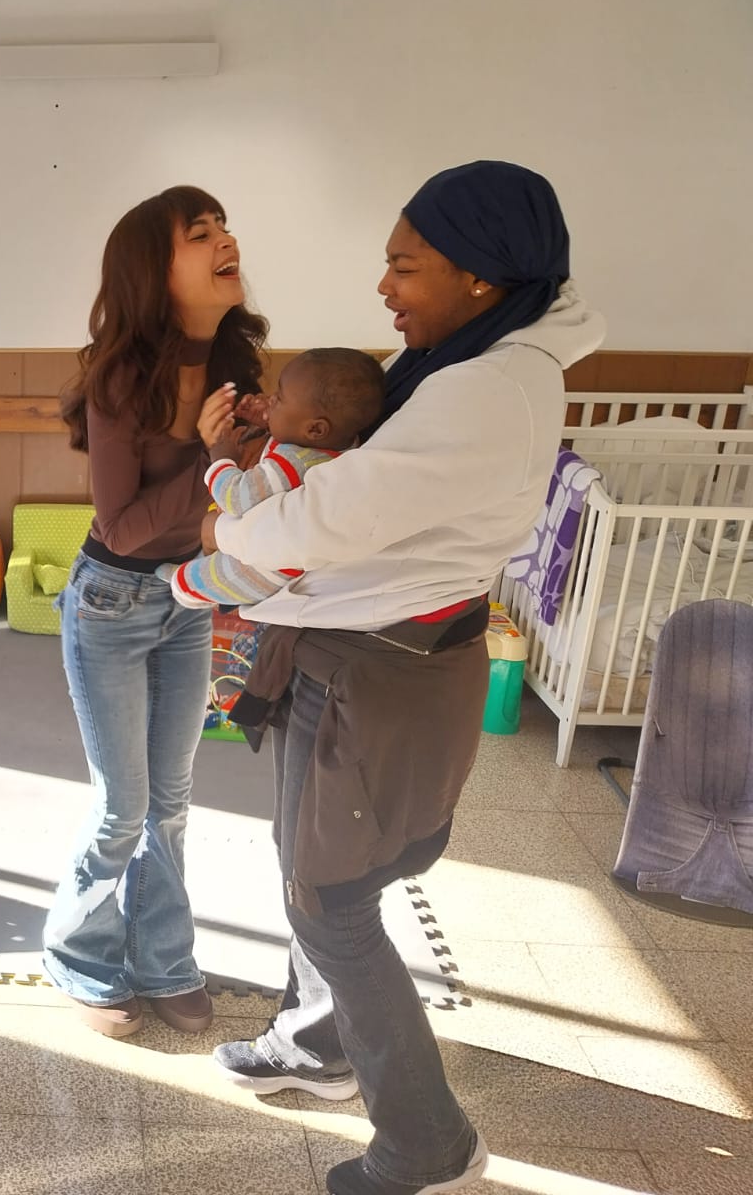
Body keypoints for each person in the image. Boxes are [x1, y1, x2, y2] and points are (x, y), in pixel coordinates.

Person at [209, 161, 605, 1195]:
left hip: (376, 673)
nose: (385, 288)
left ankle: (429, 1145)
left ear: (479, 275)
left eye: (404, 265)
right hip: (365, 656)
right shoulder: (466, 360)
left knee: (330, 899)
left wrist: (229, 512)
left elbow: (305, 524)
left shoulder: (483, 387)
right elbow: (347, 482)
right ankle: (321, 1044)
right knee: (315, 871)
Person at [43, 186, 269, 1038]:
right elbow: (127, 525)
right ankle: (82, 958)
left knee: (173, 799)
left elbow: (233, 503)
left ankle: (165, 961)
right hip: (111, 599)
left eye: (224, 227)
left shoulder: (237, 369)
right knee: (122, 807)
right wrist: (212, 459)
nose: (226, 241)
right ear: (155, 270)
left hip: (189, 596)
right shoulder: (120, 378)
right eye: (200, 233)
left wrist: (251, 448)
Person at [160, 348, 385, 609]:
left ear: (315, 428)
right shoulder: (334, 447)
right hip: (263, 548)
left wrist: (221, 456)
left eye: (279, 398)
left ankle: (182, 585)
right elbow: (288, 441)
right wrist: (268, 422)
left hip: (262, 569)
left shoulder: (295, 463)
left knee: (196, 581)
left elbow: (236, 498)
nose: (270, 400)